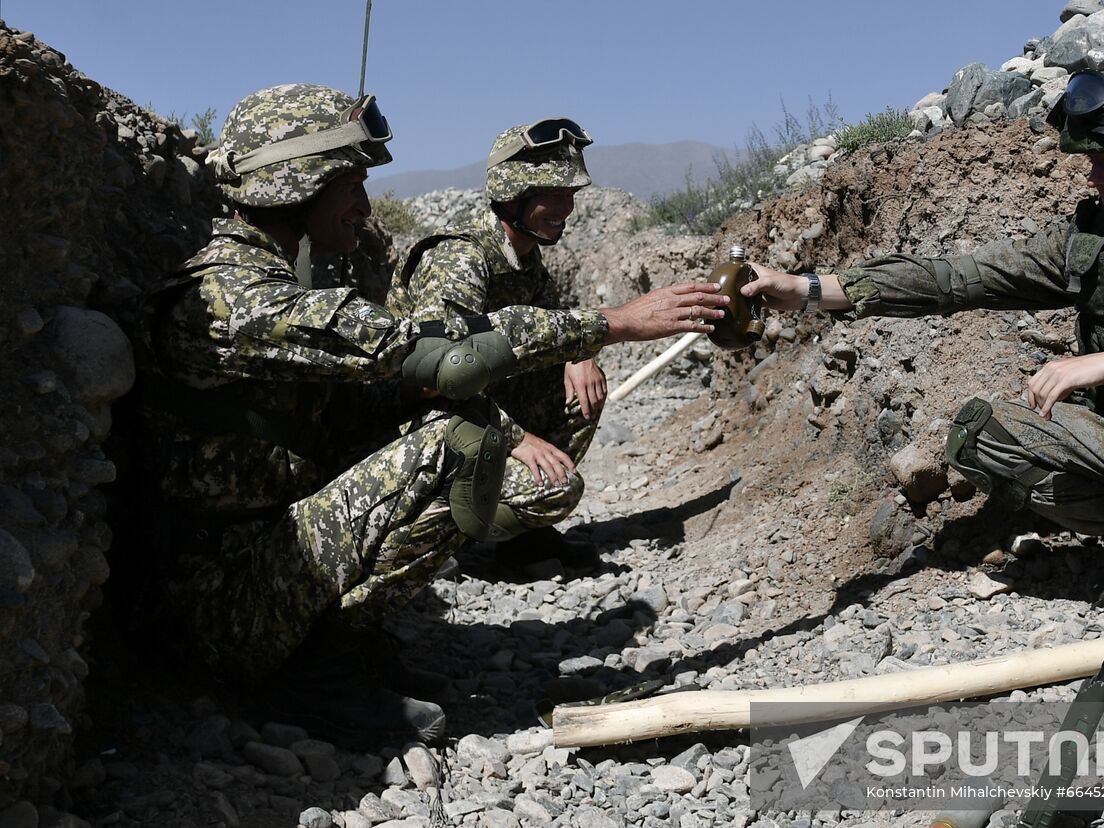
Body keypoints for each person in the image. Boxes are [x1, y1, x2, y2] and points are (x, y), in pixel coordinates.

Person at [119, 84, 728, 744]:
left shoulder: (265, 278)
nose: (363, 205)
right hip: (217, 607)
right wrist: (611, 323)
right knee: (451, 442)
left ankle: (335, 645)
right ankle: (300, 675)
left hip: (252, 571)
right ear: (298, 184)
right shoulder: (229, 296)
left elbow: (367, 397)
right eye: (350, 183)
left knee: (428, 421)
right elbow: (449, 356)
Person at [743, 59, 1104, 589]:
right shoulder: (1098, 234)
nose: (1093, 176)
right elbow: (958, 279)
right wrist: (807, 289)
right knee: (984, 437)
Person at [388, 119, 617, 567]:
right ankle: (435, 534)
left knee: (583, 387)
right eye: (552, 195)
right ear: (514, 195)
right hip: (423, 422)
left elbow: (552, 326)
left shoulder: (523, 256)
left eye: (570, 195)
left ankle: (522, 537)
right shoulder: (459, 257)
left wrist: (581, 355)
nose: (565, 208)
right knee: (560, 490)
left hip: (474, 404)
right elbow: (435, 377)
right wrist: (516, 438)